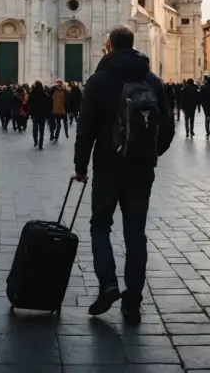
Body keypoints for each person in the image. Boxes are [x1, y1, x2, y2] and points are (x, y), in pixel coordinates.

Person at [73, 25, 174, 324]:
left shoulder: (99, 80)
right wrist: (151, 153)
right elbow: (167, 125)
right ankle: (133, 302)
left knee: (100, 226)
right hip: (141, 168)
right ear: (133, 44)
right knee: (135, 233)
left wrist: (81, 165)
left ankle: (108, 284)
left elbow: (85, 128)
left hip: (107, 165)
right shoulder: (151, 79)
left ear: (109, 45)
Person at [26, 80, 51, 150]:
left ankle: (35, 141)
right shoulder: (45, 95)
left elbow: (28, 104)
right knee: (41, 130)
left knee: (35, 128)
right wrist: (48, 115)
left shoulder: (32, 94)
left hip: (34, 114)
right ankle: (40, 144)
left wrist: (27, 112)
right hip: (42, 114)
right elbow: (48, 106)